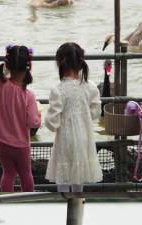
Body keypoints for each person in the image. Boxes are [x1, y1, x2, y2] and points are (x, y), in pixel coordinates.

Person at [0, 45, 42, 192]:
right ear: (29, 66)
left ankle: (7, 202)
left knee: (8, 173)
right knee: (25, 174)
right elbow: (33, 122)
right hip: (21, 144)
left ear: (7, 64)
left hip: (0, 141)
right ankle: (27, 201)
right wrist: (39, 116)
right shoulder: (29, 96)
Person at [44, 42, 103, 192]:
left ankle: (63, 204)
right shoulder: (90, 86)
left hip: (65, 138)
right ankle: (77, 207)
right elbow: (96, 111)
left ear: (60, 62)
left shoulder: (58, 89)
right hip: (84, 137)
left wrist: (46, 118)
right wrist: (82, 117)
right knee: (79, 178)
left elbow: (53, 123)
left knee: (63, 178)